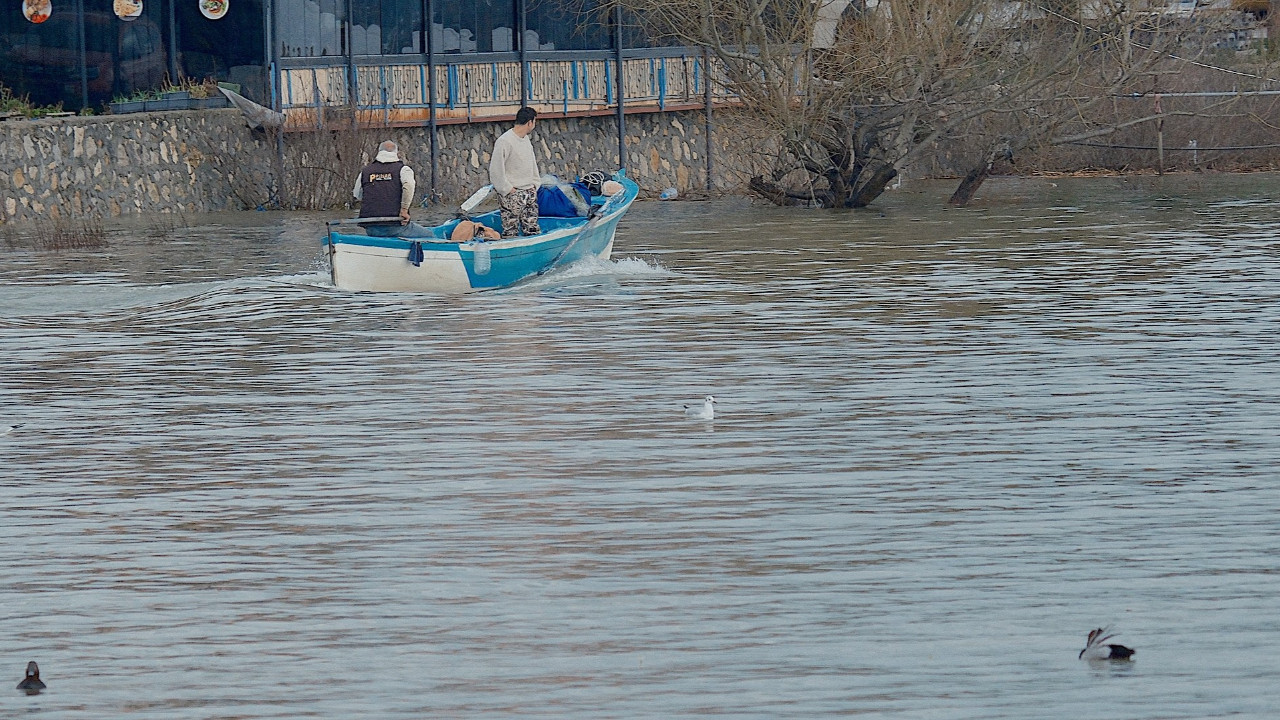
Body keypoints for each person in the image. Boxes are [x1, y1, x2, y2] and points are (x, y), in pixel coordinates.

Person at [353, 140, 432, 238]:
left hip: (371, 228)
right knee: (430, 235)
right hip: (395, 226)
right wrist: (404, 210)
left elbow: (357, 195)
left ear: (379, 152)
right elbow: (409, 185)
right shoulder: (403, 170)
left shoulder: (365, 172)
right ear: (397, 153)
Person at [489, 106, 541, 238]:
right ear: (530, 122)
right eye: (534, 122)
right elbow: (496, 169)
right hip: (513, 193)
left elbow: (532, 162)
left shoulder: (526, 139)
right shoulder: (504, 141)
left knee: (532, 229)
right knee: (510, 231)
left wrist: (535, 183)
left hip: (529, 191)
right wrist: (507, 189)